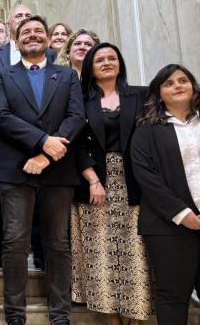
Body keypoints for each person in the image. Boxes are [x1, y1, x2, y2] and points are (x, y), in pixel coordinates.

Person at [0, 15, 84, 325]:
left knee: (57, 243)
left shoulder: (67, 76)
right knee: (15, 243)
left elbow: (75, 117)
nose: (32, 35)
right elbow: (0, 117)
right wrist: (42, 140)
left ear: (47, 40)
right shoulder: (3, 75)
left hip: (57, 169)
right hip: (14, 169)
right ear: (16, 41)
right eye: (25, 32)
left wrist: (46, 155)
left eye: (38, 31)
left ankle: (60, 315)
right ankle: (15, 316)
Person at [70, 43, 153, 324]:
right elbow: (76, 144)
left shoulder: (142, 96)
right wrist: (93, 179)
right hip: (96, 181)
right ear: (90, 67)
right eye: (100, 59)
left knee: (135, 249)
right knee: (101, 251)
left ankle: (137, 314)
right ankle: (111, 316)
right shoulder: (80, 100)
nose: (106, 63)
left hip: (135, 181)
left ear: (120, 63)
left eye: (112, 58)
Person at [131, 64, 200, 324]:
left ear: (193, 86)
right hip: (167, 225)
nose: (177, 86)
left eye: (183, 80)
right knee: (173, 296)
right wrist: (182, 213)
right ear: (159, 92)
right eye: (169, 83)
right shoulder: (146, 130)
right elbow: (146, 177)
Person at [0, 5, 57, 72]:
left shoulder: (50, 53)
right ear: (8, 26)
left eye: (28, 16)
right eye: (19, 16)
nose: (24, 19)